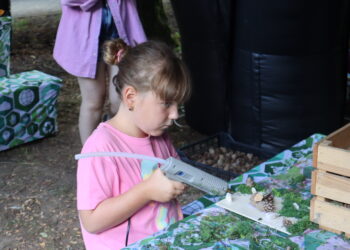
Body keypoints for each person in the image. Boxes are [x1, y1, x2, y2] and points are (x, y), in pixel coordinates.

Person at [77, 39, 191, 249]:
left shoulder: (159, 135)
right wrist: (146, 191)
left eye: (178, 105)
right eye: (166, 103)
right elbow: (91, 221)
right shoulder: (100, 148)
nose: (174, 114)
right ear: (131, 97)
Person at [53, 0, 146, 144]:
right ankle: (88, 159)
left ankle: (114, 138)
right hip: (84, 38)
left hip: (121, 31)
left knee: (121, 100)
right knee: (93, 102)